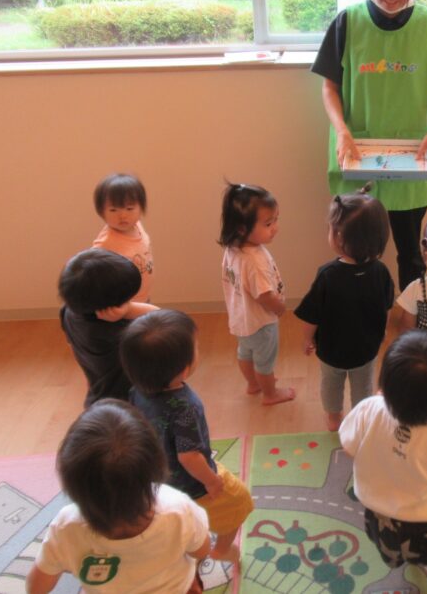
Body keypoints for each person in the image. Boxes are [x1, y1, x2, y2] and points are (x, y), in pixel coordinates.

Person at [312, 0, 427, 291]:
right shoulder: (348, 22)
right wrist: (342, 130)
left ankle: (409, 317)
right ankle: (362, 314)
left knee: (411, 253)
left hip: (412, 155)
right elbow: (330, 87)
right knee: (355, 251)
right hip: (357, 153)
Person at [339, 330, 427, 594]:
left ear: (384, 384)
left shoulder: (368, 408)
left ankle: (396, 556)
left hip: (377, 514)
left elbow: (349, 448)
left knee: (389, 548)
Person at [25, 400, 211, 594]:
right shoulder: (177, 509)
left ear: (71, 485)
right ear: (156, 464)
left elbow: (36, 586)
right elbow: (201, 549)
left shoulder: (66, 526)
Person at [121, 310, 253, 567]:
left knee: (176, 518)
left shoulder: (136, 391)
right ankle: (221, 550)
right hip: (192, 485)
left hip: (156, 479)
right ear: (184, 369)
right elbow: (189, 456)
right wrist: (212, 481)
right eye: (196, 347)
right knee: (239, 502)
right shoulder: (185, 406)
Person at [295, 185, 394, 431]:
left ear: (339, 237)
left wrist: (307, 339)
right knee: (363, 386)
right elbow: (386, 306)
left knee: (331, 384)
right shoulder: (381, 271)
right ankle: (361, 418)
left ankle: (334, 417)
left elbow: (312, 315)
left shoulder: (328, 275)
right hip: (366, 347)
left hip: (332, 349)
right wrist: (382, 331)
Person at [219, 183, 295, 405]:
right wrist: (279, 307)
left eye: (276, 220)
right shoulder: (255, 260)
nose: (275, 228)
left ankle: (253, 384)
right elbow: (264, 295)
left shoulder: (233, 248)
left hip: (241, 318)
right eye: (268, 223)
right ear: (242, 228)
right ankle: (270, 394)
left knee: (245, 353)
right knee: (265, 361)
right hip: (262, 322)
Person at [58, 249, 158, 407]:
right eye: (126, 300)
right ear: (110, 306)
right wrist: (129, 310)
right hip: (128, 404)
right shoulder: (115, 331)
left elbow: (74, 349)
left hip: (98, 394)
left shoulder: (68, 312)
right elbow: (163, 319)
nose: (129, 301)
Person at [92, 173, 154, 303]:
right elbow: (92, 271)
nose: (123, 216)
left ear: (141, 207)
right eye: (113, 210)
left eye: (129, 208)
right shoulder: (105, 243)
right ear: (101, 211)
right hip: (123, 304)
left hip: (143, 297)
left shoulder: (137, 226)